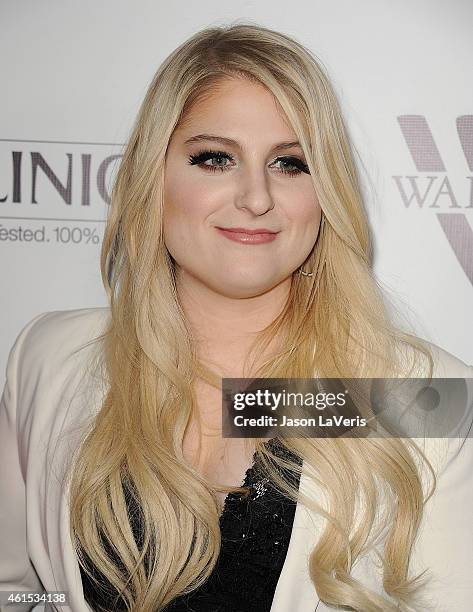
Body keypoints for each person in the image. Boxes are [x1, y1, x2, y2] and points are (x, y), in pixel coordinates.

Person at [1, 22, 472, 612]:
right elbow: (19, 592)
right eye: (215, 158)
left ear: (325, 192)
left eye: (291, 164)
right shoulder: (47, 358)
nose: (256, 197)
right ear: (155, 177)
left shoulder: (420, 396)